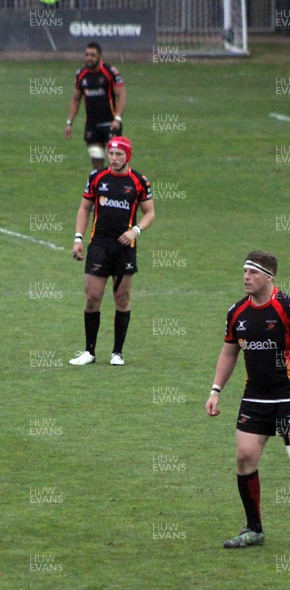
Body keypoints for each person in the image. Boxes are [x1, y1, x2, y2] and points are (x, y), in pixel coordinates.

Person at [205, 250, 290, 551]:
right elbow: (229, 352)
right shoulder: (237, 312)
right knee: (244, 458)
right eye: (245, 272)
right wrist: (215, 389)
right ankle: (254, 530)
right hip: (255, 399)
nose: (246, 277)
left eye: (253, 272)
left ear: (269, 278)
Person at [69, 136, 155, 366]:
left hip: (125, 248)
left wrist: (136, 230)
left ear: (128, 155)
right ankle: (89, 352)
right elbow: (85, 207)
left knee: (122, 298)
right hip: (99, 246)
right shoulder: (97, 178)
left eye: (119, 154)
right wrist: (78, 238)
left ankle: (117, 352)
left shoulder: (139, 181)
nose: (114, 158)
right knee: (92, 298)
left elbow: (149, 213)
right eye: (111, 153)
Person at [64, 41, 126, 170]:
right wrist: (69, 122)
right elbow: (76, 100)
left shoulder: (110, 73)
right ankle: (99, 189)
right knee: (97, 165)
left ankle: (118, 189)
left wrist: (118, 119)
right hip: (92, 125)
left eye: (92, 55)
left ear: (100, 56)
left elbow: (121, 95)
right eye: (87, 55)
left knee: (116, 164)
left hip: (110, 124)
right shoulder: (81, 75)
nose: (89, 58)